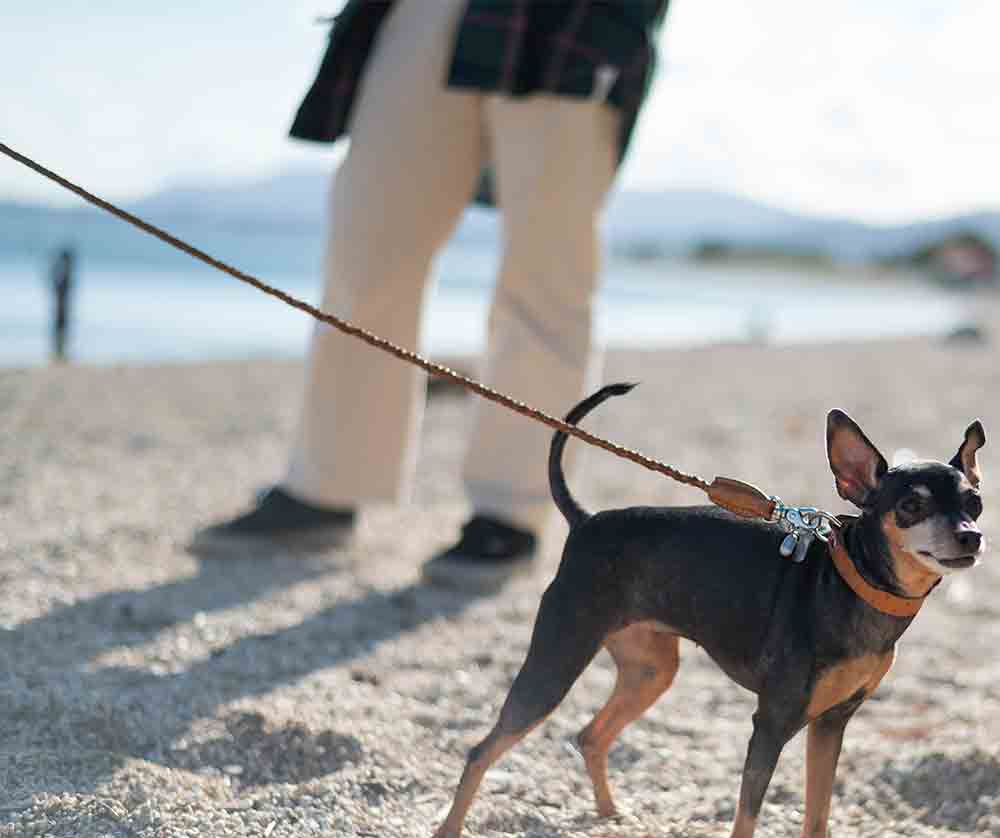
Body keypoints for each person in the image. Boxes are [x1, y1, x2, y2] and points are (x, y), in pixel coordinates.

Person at [192, 0, 669, 592]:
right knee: (365, 251)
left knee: (548, 271)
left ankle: (511, 512)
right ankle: (328, 486)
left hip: (571, 18)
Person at [50, 245, 75, 363]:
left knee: (61, 330)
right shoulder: (66, 274)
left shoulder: (66, 274)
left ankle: (60, 353)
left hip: (62, 308)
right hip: (61, 308)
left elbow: (57, 287)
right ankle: (59, 353)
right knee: (60, 330)